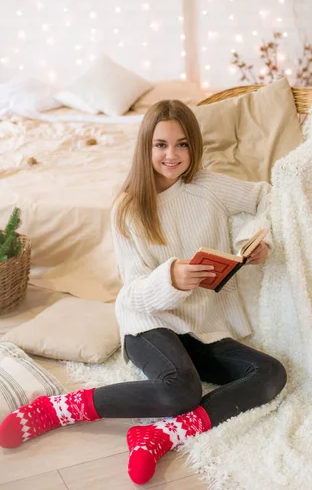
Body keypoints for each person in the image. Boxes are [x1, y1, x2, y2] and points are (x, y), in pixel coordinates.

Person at [0, 100, 287, 485]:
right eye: (161, 145)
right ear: (146, 148)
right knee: (181, 390)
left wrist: (251, 242)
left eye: (182, 144)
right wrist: (170, 279)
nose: (172, 155)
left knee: (270, 373)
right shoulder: (129, 208)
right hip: (149, 323)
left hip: (205, 327)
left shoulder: (208, 186)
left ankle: (159, 435)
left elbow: (263, 199)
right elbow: (132, 294)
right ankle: (60, 408)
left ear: (194, 146)